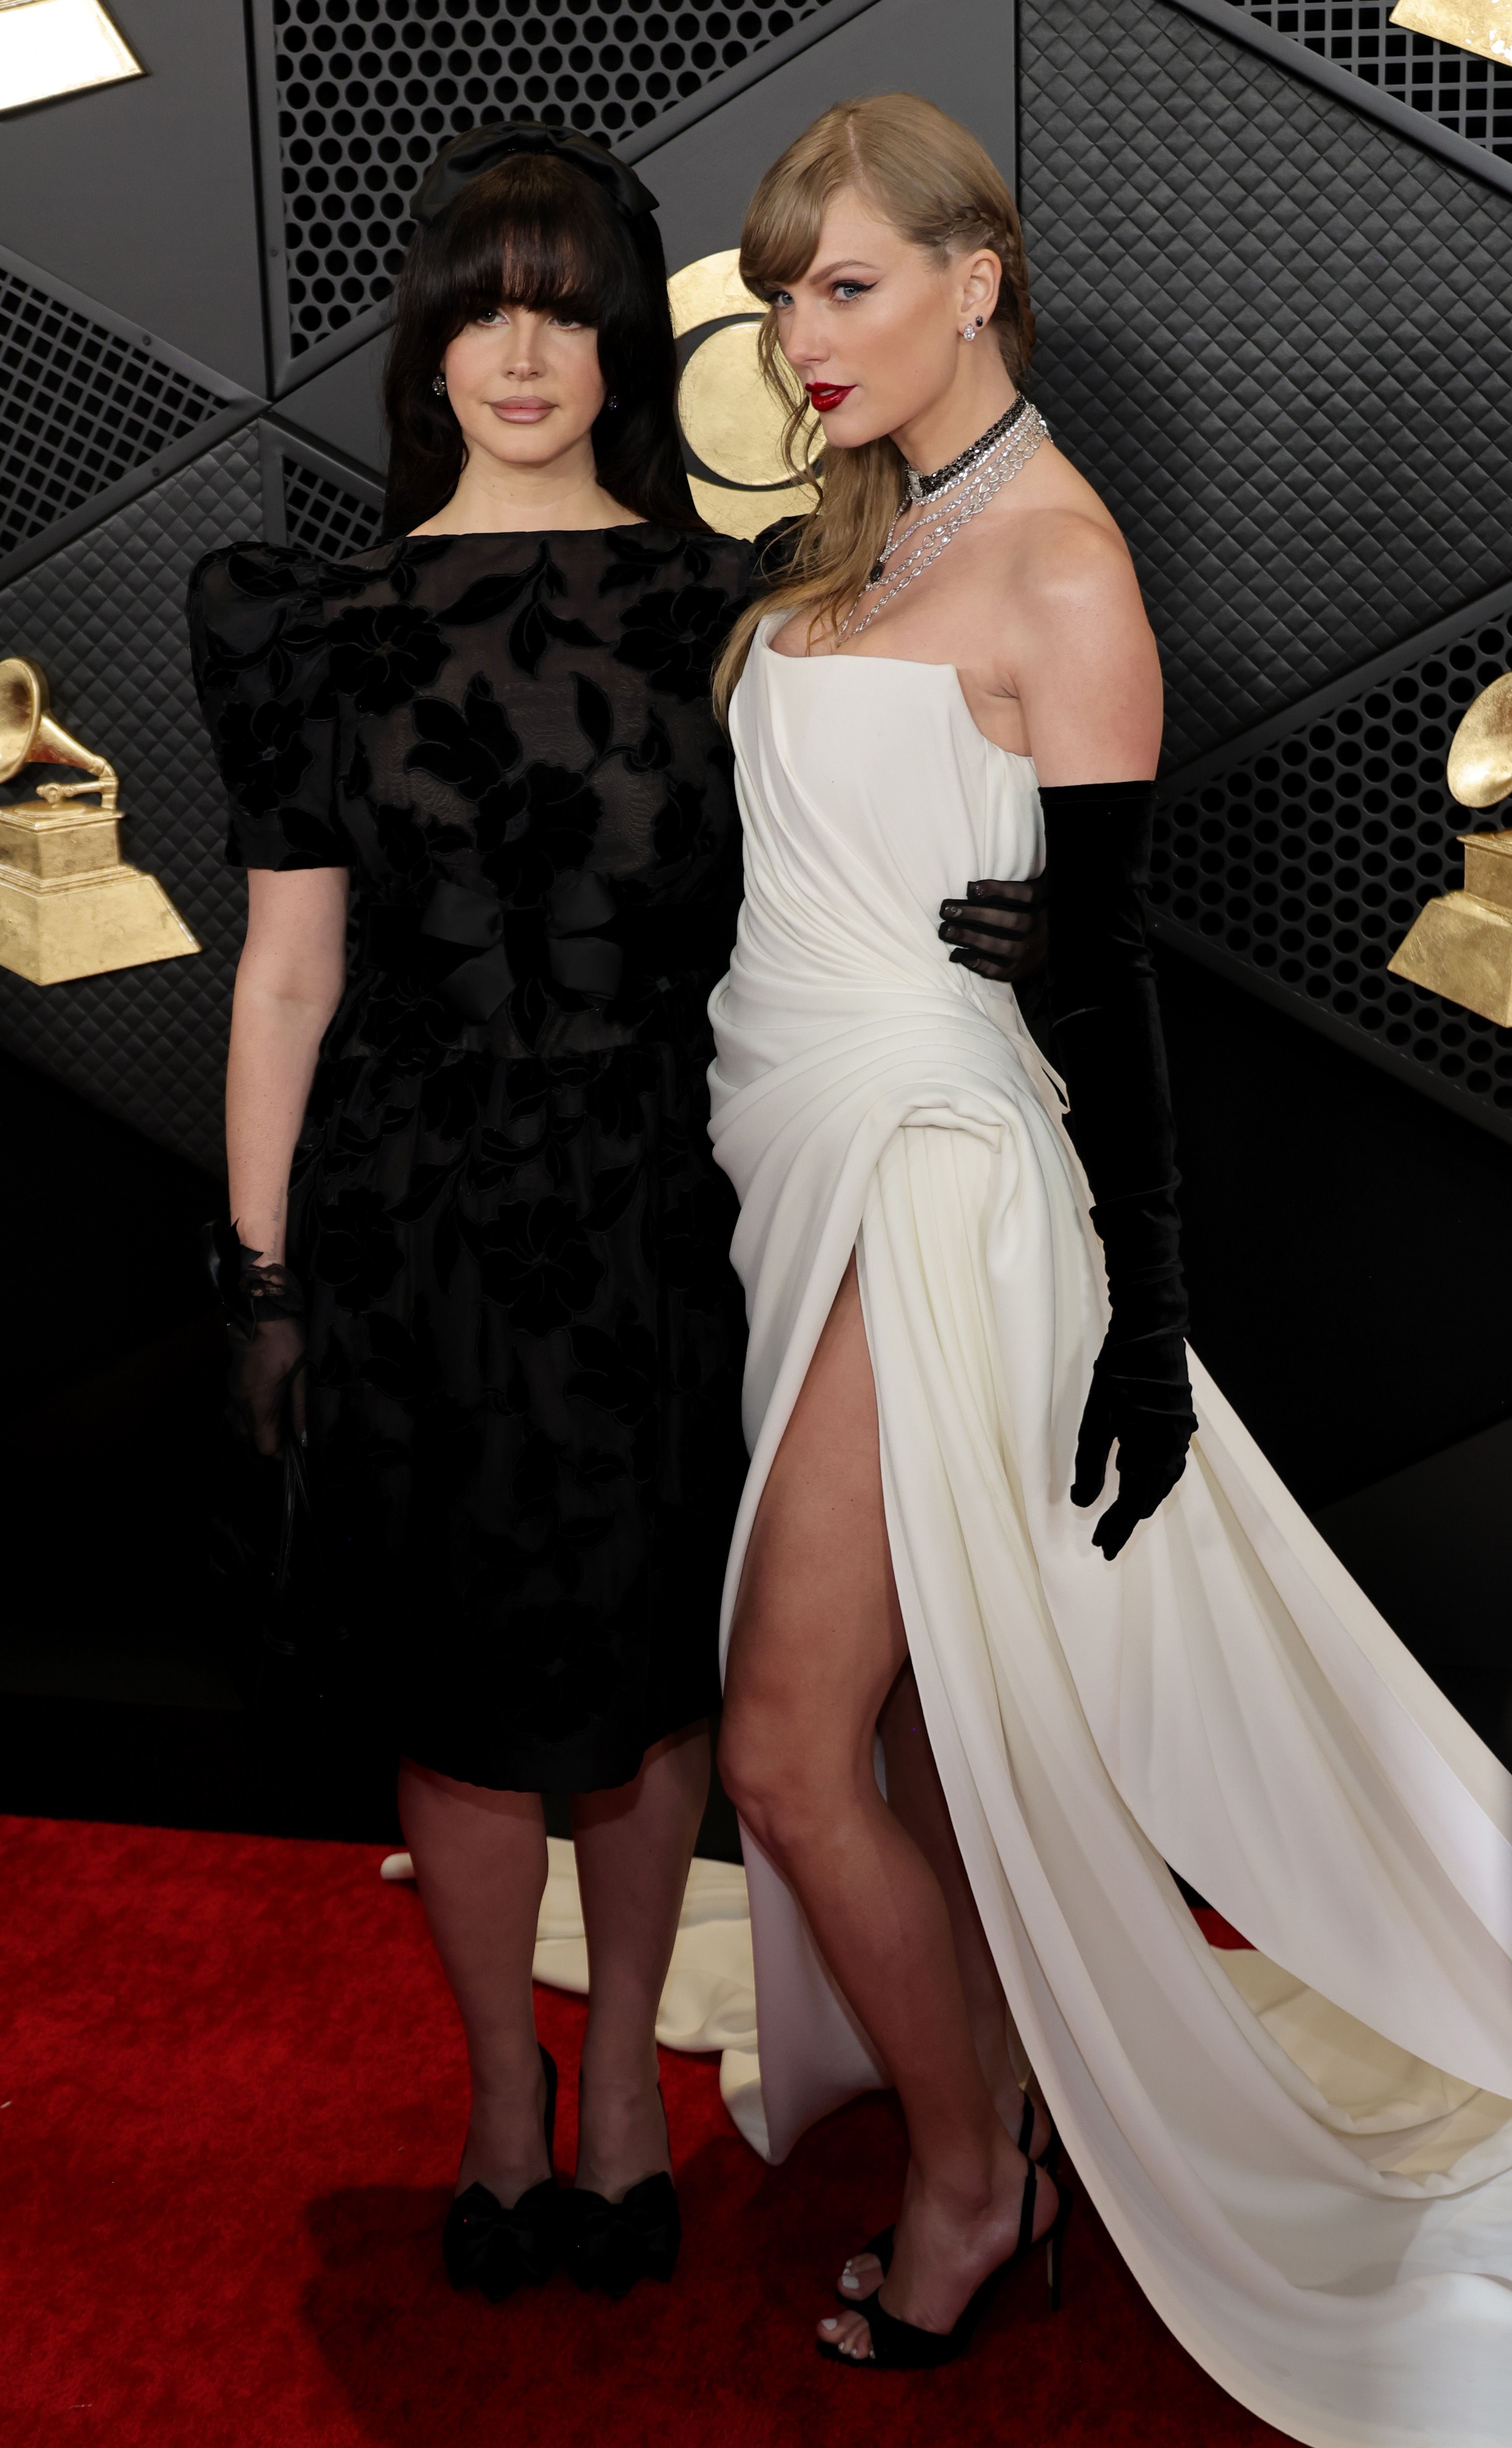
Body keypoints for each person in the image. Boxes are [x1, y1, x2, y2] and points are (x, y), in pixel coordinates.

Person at [708, 91, 1512, 2435]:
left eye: (848, 284)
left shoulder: (1063, 568)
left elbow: (1101, 986)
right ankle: (998, 2114)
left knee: (787, 1752)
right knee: (922, 1718)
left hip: (932, 1181)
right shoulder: (872, 542)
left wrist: (1155, 1304)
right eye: (785, 294)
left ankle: (972, 2191)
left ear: (975, 279)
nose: (804, 335)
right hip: (801, 1161)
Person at [189, 120, 1036, 2309]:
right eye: (482, 311)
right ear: (427, 346)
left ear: (622, 347)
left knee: (648, 1685)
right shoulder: (312, 621)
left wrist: (1031, 904)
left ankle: (629, 2100)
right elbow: (285, 972)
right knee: (463, 1695)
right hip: (410, 1219)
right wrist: (263, 1272)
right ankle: (502, 2096)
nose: (520, 354)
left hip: (668, 1205)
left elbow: (883, 838)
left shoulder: (741, 611)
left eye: (563, 313)